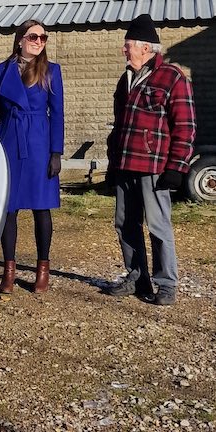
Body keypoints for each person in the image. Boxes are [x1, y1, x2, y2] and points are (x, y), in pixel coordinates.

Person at [104, 14, 196, 305]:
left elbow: (185, 125)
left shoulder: (172, 77)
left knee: (158, 225)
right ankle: (136, 277)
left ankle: (166, 284)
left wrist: (177, 167)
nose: (124, 50)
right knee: (124, 224)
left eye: (128, 45)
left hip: (155, 167)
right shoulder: (126, 77)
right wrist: (111, 164)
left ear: (146, 48)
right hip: (125, 165)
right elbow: (119, 125)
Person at [0, 20, 64, 294]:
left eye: (43, 37)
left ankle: (42, 270)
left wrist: (56, 153)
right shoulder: (4, 69)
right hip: (10, 140)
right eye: (33, 36)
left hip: (39, 143)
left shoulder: (51, 71)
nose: (39, 41)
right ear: (20, 39)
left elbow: (57, 114)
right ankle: (8, 272)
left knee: (40, 207)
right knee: (8, 208)